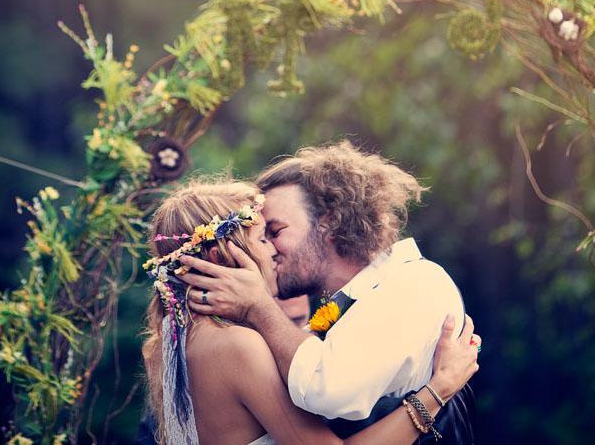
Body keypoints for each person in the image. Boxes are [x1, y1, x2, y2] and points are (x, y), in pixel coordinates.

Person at [142, 176, 479, 445]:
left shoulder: (173, 342)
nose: (273, 252)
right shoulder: (236, 346)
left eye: (276, 234)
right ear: (222, 256)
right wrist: (439, 390)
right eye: (263, 238)